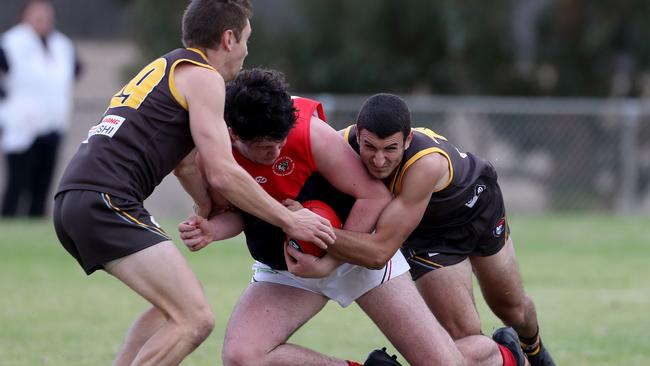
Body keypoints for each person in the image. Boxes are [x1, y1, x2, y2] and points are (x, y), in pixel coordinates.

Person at [179, 68, 529, 366]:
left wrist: (329, 260)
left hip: (356, 257)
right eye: (264, 147)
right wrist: (211, 229)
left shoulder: (308, 131)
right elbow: (243, 214)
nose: (276, 152)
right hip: (287, 270)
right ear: (234, 134)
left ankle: (506, 355)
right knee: (243, 357)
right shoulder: (216, 153)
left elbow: (373, 195)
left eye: (281, 141)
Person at [52, 2, 335, 365]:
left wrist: (205, 208)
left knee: (168, 311)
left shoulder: (168, 66)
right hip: (106, 200)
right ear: (229, 38)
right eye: (247, 38)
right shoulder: (204, 77)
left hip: (78, 198)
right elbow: (223, 172)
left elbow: (186, 164)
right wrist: (290, 219)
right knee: (195, 319)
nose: (248, 51)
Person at [303, 93, 554, 366]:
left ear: (407, 140)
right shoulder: (339, 143)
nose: (378, 160)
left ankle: (537, 354)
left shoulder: (425, 164)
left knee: (513, 309)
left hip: (478, 206)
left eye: (390, 149)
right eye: (370, 147)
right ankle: (509, 359)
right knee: (464, 335)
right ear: (359, 134)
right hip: (429, 236)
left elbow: (378, 254)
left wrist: (308, 227)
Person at [0, 0, 81, 217]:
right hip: (21, 122)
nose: (41, 20)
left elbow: (76, 70)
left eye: (45, 16)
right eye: (36, 16)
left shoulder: (62, 45)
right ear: (24, 17)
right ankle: (8, 224)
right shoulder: (11, 43)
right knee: (17, 181)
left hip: (53, 122)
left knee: (43, 182)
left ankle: (35, 221)